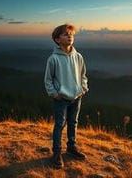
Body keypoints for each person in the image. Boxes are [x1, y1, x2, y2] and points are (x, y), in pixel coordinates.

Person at [44, 23, 89, 169]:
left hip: (77, 97)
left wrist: (83, 88)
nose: (70, 36)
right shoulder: (53, 59)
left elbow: (83, 75)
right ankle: (56, 153)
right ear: (57, 40)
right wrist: (54, 94)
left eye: (71, 34)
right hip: (61, 98)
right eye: (65, 34)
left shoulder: (79, 57)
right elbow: (48, 79)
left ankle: (71, 147)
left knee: (73, 122)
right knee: (59, 125)